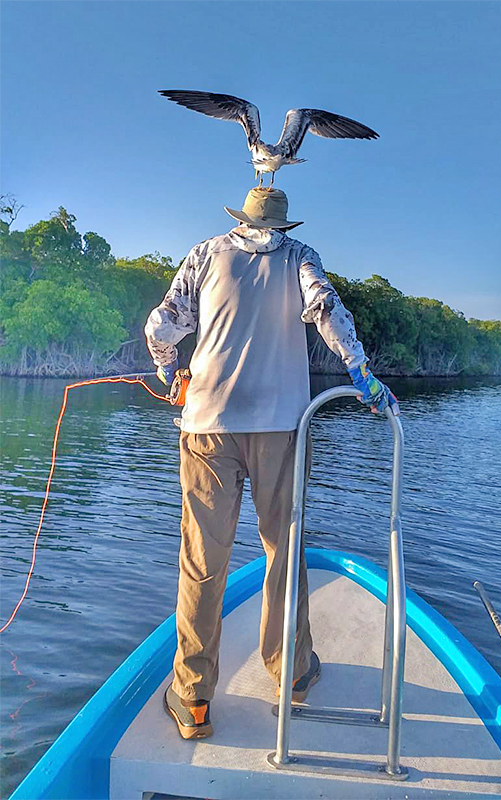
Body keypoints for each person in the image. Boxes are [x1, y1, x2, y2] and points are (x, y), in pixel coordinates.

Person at [144, 186, 399, 740]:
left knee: (202, 561)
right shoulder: (301, 257)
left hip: (208, 426)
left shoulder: (205, 254)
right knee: (283, 550)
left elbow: (162, 324)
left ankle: (192, 699)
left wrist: (167, 368)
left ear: (242, 218)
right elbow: (327, 311)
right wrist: (361, 374)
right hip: (282, 428)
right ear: (283, 225)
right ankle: (292, 673)